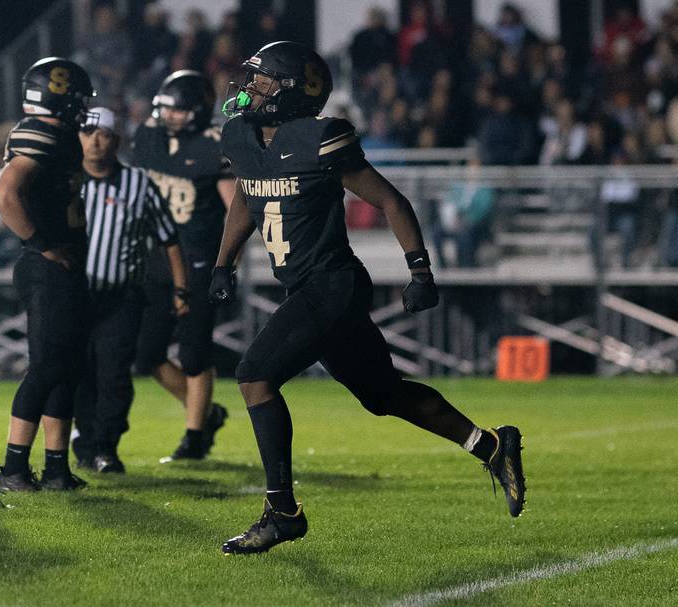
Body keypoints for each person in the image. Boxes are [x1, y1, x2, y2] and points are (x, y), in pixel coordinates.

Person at [212, 41, 526, 554]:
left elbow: (390, 200)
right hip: (308, 286)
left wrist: (419, 269)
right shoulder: (241, 136)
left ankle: (282, 512)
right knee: (383, 395)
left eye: (262, 80)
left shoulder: (320, 138)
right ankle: (491, 445)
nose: (249, 88)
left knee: (254, 375)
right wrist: (223, 262)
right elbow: (248, 199)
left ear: (291, 91)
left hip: (332, 283)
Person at [0, 58, 94, 492]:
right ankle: (13, 468)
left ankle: (56, 468)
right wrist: (43, 244)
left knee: (66, 366)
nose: (83, 106)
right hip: (46, 265)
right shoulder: (40, 131)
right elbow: (4, 195)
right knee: (48, 365)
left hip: (63, 261)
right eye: (78, 98)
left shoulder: (60, 135)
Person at [72, 107, 187, 473]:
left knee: (114, 372)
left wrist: (181, 288)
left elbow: (169, 238)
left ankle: (105, 445)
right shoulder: (68, 180)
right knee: (79, 371)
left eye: (103, 133)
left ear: (116, 140)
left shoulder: (138, 183)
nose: (95, 141)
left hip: (122, 295)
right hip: (77, 295)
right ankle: (85, 441)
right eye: (88, 133)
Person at [130, 70, 235, 462]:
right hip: (154, 259)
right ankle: (207, 414)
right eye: (167, 108)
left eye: (178, 109)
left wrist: (227, 264)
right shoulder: (149, 135)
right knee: (147, 354)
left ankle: (194, 437)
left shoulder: (213, 144)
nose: (169, 116)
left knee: (194, 352)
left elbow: (235, 211)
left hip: (198, 259)